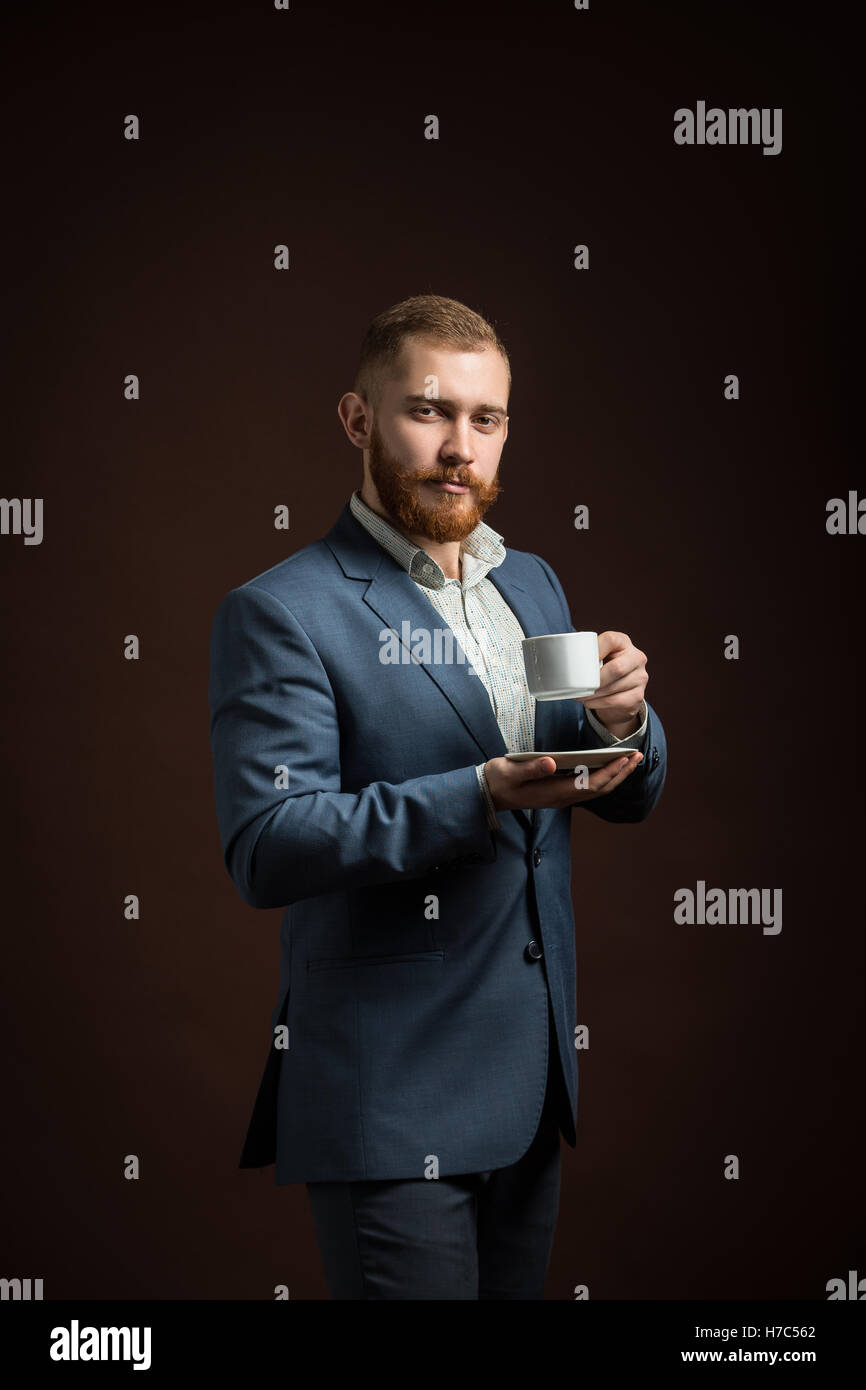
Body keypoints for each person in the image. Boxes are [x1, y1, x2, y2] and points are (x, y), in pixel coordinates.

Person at [208, 293, 667, 1299]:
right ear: (357, 419)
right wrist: (476, 793)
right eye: (428, 411)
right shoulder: (283, 612)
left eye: (485, 419)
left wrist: (621, 720)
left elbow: (611, 793)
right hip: (390, 1102)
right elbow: (268, 843)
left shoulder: (531, 587)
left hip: (529, 1091)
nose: (459, 446)